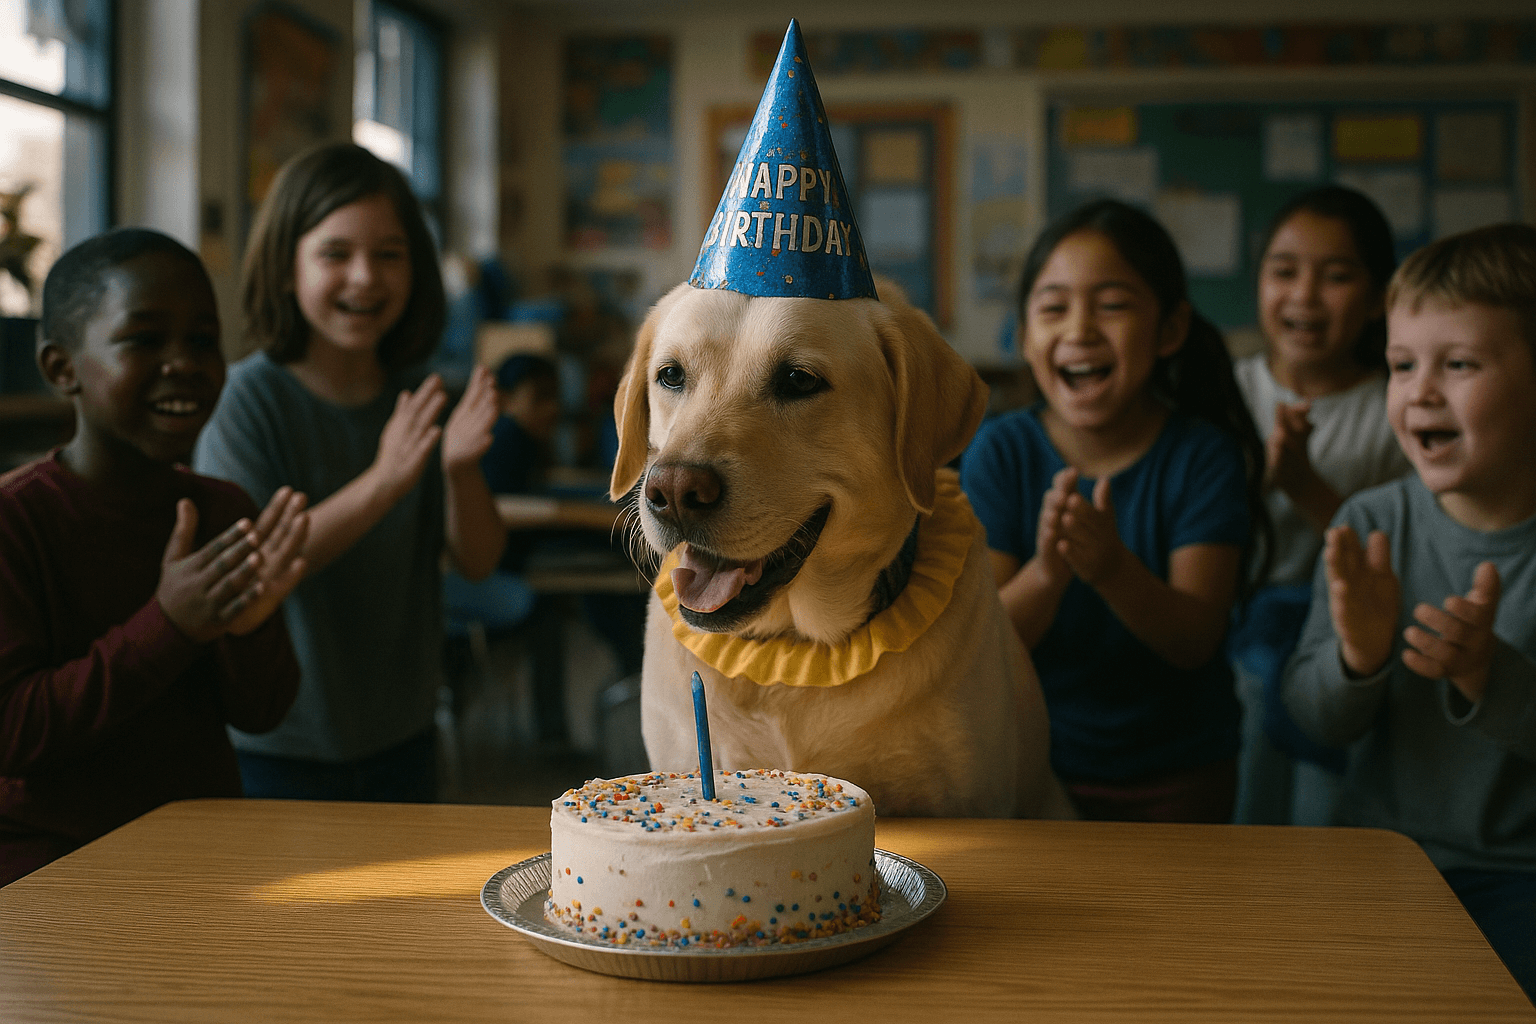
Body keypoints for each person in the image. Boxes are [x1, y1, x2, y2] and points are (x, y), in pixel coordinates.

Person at [194, 143, 506, 802]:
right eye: (335, 254)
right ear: (286, 267)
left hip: (405, 736)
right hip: (277, 747)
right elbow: (252, 572)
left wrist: (459, 471)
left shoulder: (423, 394)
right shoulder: (246, 400)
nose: (364, 278)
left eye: (388, 255)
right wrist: (384, 481)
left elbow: (478, 561)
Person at [0, 228, 308, 885]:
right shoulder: (15, 520)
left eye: (202, 340)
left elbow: (262, 711)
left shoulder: (223, 508)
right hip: (51, 868)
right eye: (144, 340)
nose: (185, 362)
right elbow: (14, 734)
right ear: (62, 369)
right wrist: (169, 626)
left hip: (202, 852)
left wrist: (250, 630)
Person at [1283, 223, 1536, 999]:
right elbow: (1311, 717)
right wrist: (1357, 659)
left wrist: (1489, 674)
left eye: (1458, 364)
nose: (1420, 390)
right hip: (1378, 859)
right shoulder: (1368, 523)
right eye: (1400, 365)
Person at [961, 199, 1267, 823]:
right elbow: (981, 643)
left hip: (1182, 773)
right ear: (1024, 335)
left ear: (1171, 330)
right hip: (1032, 761)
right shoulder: (1001, 451)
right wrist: (1049, 575)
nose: (1079, 330)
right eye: (1053, 308)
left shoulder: (1203, 455)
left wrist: (1110, 569)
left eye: (1113, 305)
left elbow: (1194, 640)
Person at [1229, 186, 1412, 825]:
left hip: (1339, 637)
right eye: (1284, 272)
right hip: (1230, 628)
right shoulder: (1227, 391)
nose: (1304, 296)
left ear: (1375, 299)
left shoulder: (1400, 407)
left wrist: (1307, 489)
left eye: (1335, 276)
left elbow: (1400, 553)